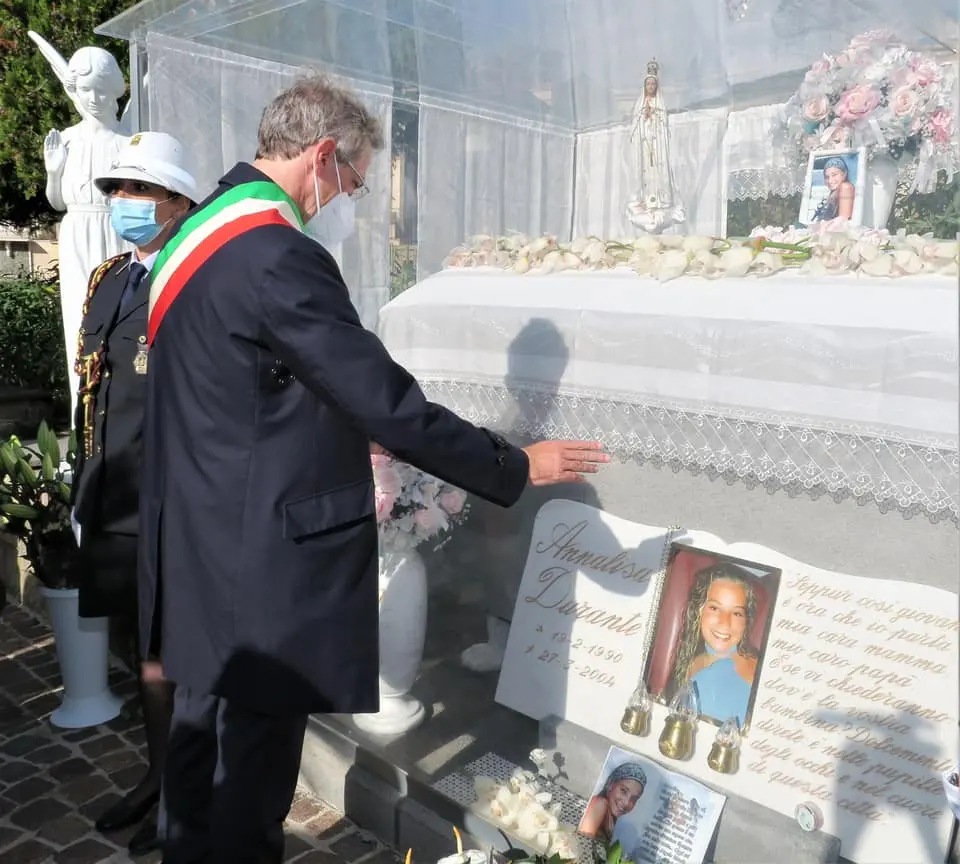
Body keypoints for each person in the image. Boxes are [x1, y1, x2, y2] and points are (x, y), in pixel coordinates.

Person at [138, 74, 609, 863]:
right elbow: (384, 400)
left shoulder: (194, 234)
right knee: (247, 789)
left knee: (197, 767)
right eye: (353, 179)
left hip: (194, 542)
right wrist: (513, 462)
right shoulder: (274, 252)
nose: (346, 198)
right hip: (255, 568)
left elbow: (239, 388)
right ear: (323, 155)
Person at [71, 131, 197, 857]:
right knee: (142, 650)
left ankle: (182, 791)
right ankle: (159, 777)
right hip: (116, 491)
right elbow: (97, 382)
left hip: (174, 500)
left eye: (139, 191)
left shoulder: (195, 276)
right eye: (116, 190)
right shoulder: (110, 277)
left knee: (169, 654)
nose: (123, 203)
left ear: (179, 201)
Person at [671, 563, 760, 727]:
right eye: (714, 608)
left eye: (736, 613)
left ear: (746, 620)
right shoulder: (685, 663)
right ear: (698, 610)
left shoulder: (758, 674)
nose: (725, 623)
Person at [579, 761, 647, 843]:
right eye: (623, 791)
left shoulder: (611, 819)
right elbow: (583, 842)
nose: (626, 802)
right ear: (611, 784)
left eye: (634, 799)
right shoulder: (600, 804)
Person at [813, 156, 855, 221]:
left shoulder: (845, 187)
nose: (830, 180)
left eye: (834, 175)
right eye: (827, 177)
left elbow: (843, 221)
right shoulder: (834, 193)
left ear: (844, 174)